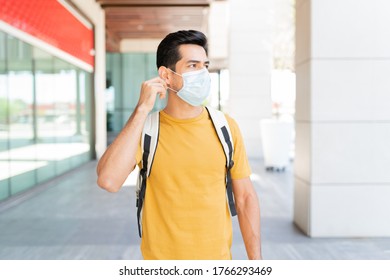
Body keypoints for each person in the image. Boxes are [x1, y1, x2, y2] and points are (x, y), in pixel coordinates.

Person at [97, 30, 262, 260]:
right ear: (166, 75)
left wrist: (257, 263)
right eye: (193, 66)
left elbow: (245, 199)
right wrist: (142, 109)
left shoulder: (226, 127)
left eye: (205, 65)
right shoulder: (146, 129)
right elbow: (108, 180)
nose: (203, 74)